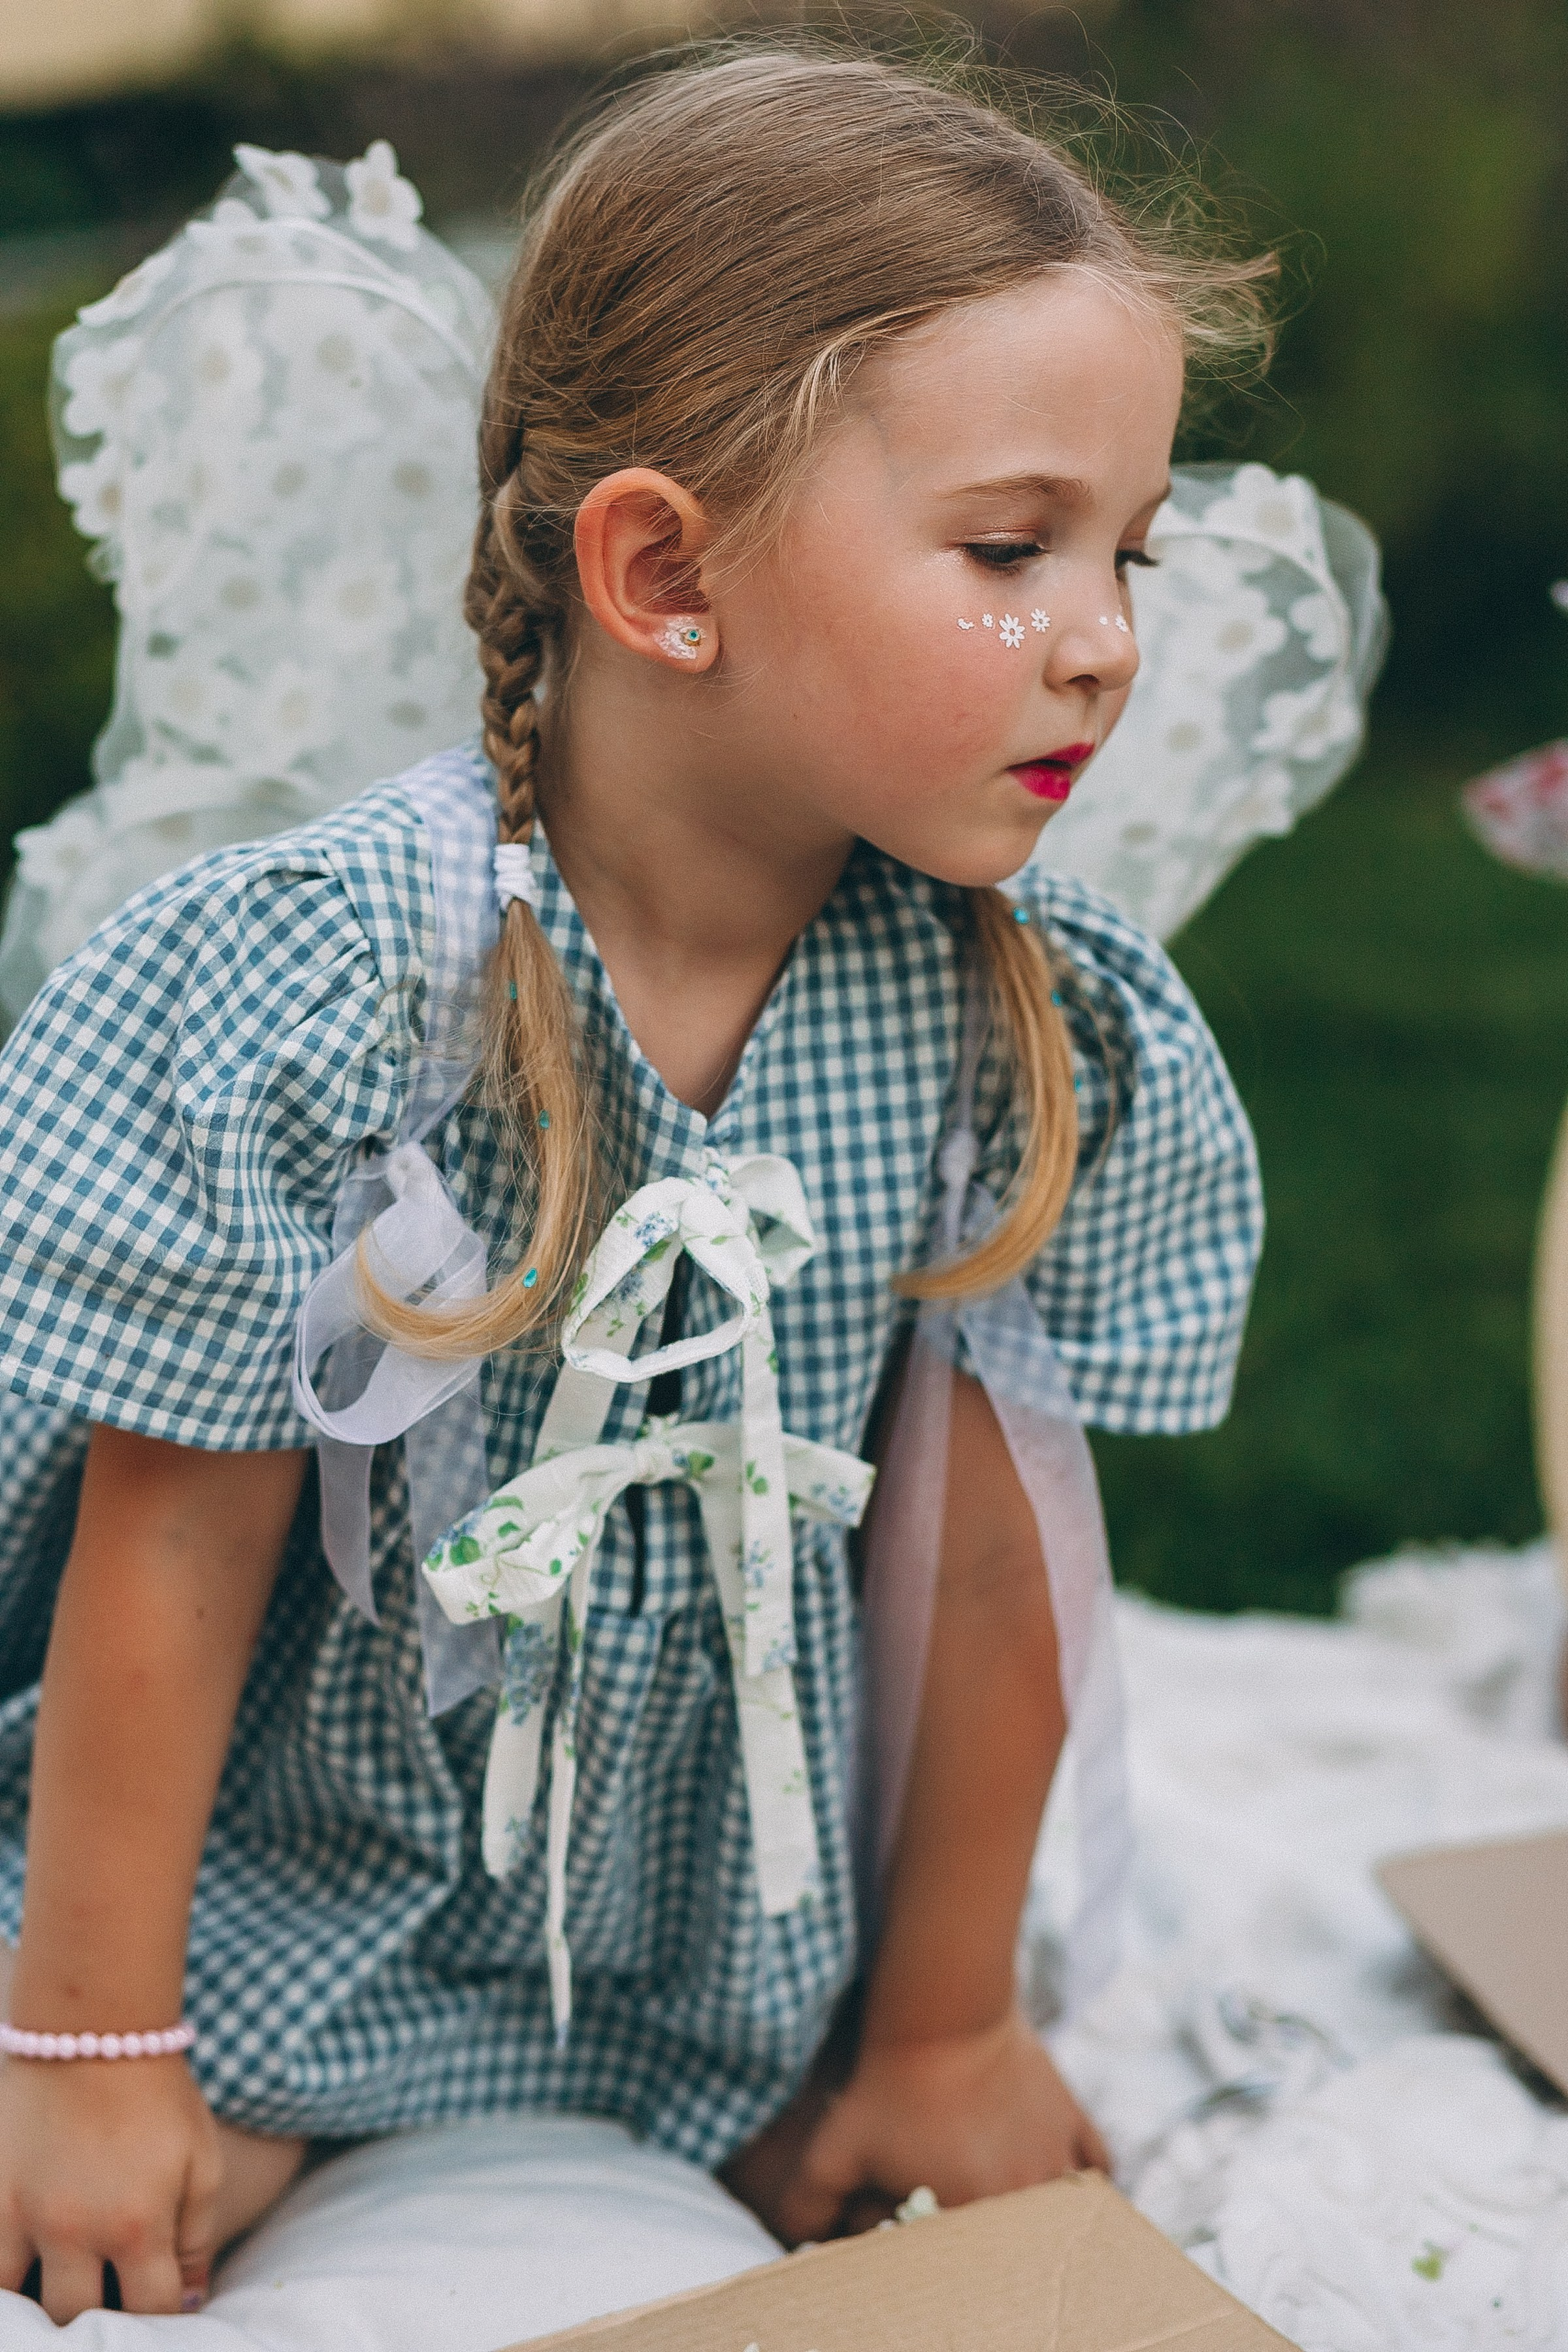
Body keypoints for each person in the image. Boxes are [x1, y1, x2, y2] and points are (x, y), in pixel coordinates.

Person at [0, 47, 1302, 2325]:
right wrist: (92, 2040)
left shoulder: (1029, 1025)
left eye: (1130, 550)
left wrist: (938, 2030)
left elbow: (997, 1580)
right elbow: (175, 1539)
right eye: (1012, 547)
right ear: (662, 571)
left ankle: (613, 2075)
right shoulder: (329, 991)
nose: (1101, 633)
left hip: (733, 1927)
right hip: (276, 1851)